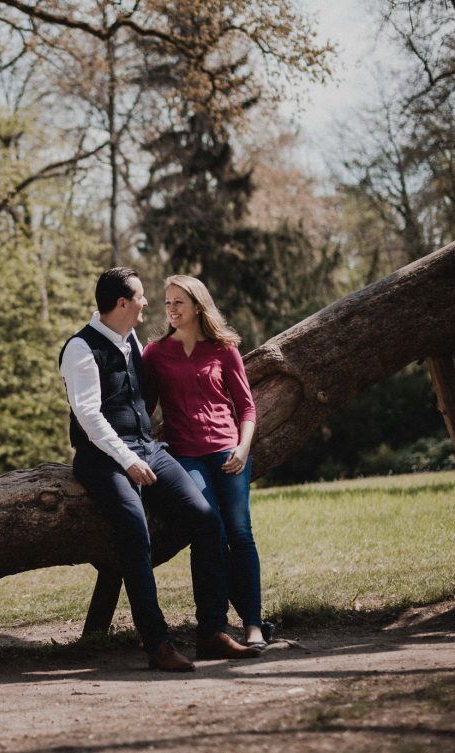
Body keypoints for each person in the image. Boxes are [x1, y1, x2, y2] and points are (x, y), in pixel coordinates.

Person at [59, 267, 260, 672]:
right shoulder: (80, 349)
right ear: (121, 304)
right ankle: (158, 643)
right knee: (135, 532)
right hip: (102, 456)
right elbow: (89, 418)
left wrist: (145, 451)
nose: (148, 304)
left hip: (146, 447)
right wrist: (129, 461)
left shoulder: (131, 339)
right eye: (141, 297)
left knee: (206, 521)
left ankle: (212, 631)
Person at [141, 275, 269, 650]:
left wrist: (243, 448)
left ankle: (254, 623)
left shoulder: (224, 348)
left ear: (198, 305)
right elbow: (144, 409)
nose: (171, 309)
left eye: (179, 302)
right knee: (208, 526)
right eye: (167, 303)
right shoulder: (155, 353)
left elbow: (246, 407)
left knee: (240, 532)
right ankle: (213, 627)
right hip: (185, 454)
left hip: (228, 451)